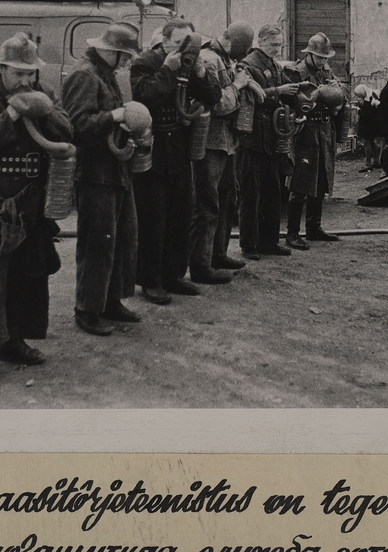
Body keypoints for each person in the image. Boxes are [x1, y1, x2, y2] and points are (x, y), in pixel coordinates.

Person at [0, 33, 73, 390]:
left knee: (27, 276)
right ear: (2, 68)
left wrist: (45, 110)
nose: (25, 80)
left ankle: (12, 342)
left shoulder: (47, 93)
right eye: (18, 73)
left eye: (30, 73)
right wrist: (9, 114)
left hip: (33, 203)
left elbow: (69, 133)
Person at [130, 17, 221, 304]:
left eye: (190, 42)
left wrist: (201, 72)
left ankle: (172, 274)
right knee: (153, 218)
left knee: (180, 215)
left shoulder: (189, 63)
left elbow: (213, 98)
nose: (186, 48)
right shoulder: (146, 63)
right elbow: (145, 98)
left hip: (180, 149)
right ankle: (150, 280)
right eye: (181, 42)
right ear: (166, 40)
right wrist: (169, 70)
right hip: (153, 148)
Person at [61, 23, 141, 337]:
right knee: (98, 243)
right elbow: (76, 126)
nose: (126, 62)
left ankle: (110, 300)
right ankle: (87, 308)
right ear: (109, 50)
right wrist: (115, 117)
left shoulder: (105, 75)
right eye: (124, 55)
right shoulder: (85, 75)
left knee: (122, 238)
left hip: (115, 170)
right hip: (95, 173)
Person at [189, 22, 254, 284]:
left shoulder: (225, 58)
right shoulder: (208, 59)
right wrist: (237, 86)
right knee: (207, 204)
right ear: (229, 43)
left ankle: (219, 254)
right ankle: (200, 265)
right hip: (210, 141)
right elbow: (215, 104)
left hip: (227, 141)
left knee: (227, 198)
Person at [237, 25, 300, 261]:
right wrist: (279, 90)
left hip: (271, 138)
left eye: (280, 44)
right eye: (274, 44)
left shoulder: (273, 64)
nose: (278, 48)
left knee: (272, 192)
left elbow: (286, 90)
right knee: (250, 193)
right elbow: (252, 95)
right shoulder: (247, 64)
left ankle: (269, 241)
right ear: (261, 42)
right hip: (252, 138)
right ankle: (249, 244)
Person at [282, 32, 347, 249]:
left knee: (320, 180)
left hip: (324, 129)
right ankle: (292, 233)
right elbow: (288, 102)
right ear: (309, 54)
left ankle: (313, 228)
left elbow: (341, 91)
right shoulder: (295, 72)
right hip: (305, 131)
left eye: (325, 58)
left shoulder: (326, 70)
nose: (323, 62)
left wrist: (336, 89)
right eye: (319, 58)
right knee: (300, 181)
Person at [352, 83, 383, 171]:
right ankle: (376, 161)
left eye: (359, 96)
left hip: (367, 126)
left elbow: (366, 114)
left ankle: (368, 163)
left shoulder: (367, 101)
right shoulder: (372, 98)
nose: (358, 97)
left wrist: (358, 110)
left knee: (366, 143)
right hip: (371, 126)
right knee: (372, 142)